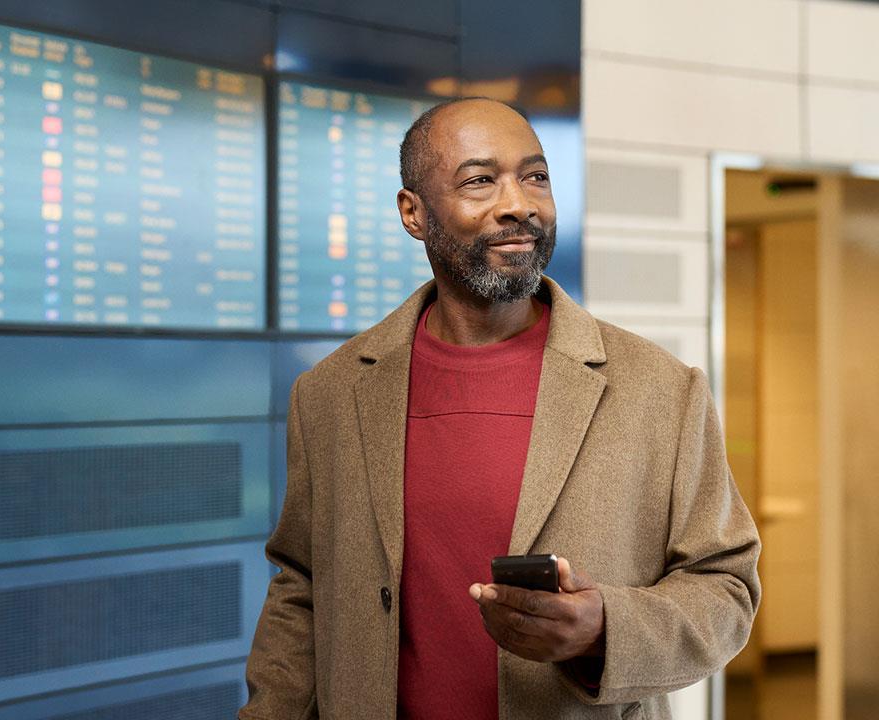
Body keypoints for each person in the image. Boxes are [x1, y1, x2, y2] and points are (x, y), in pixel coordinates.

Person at [239, 98, 760, 720]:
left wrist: (603, 629)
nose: (520, 203)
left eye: (535, 176)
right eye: (480, 180)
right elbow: (301, 588)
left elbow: (725, 587)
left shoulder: (661, 391)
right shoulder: (329, 394)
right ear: (414, 213)